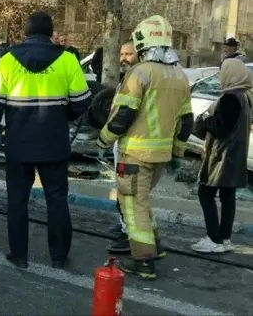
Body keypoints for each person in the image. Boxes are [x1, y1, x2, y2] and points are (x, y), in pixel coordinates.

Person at [0, 11, 91, 269]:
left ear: (26, 33)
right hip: (55, 144)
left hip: (19, 145)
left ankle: (19, 255)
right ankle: (59, 257)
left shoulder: (7, 60)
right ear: (50, 33)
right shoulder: (67, 59)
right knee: (57, 199)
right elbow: (82, 102)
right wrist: (63, 114)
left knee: (17, 200)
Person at [96, 15, 193, 280]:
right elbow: (186, 121)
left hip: (135, 154)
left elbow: (123, 114)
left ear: (142, 43)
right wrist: (178, 151)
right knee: (142, 202)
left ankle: (144, 262)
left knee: (132, 206)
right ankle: (155, 248)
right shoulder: (179, 76)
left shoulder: (140, 73)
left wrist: (103, 140)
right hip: (160, 156)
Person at [191, 59, 252, 253]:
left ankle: (214, 238)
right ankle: (224, 238)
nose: (219, 76)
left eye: (222, 72)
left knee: (205, 193)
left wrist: (205, 119)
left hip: (221, 156)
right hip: (235, 155)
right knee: (228, 196)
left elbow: (222, 127)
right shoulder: (246, 96)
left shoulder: (230, 98)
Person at [105, 40, 138, 254]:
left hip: (131, 144)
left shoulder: (138, 78)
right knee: (121, 188)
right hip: (122, 142)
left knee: (129, 191)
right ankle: (125, 225)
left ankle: (130, 235)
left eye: (128, 54)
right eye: (121, 53)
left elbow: (127, 112)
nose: (123, 58)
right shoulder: (127, 78)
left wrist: (105, 138)